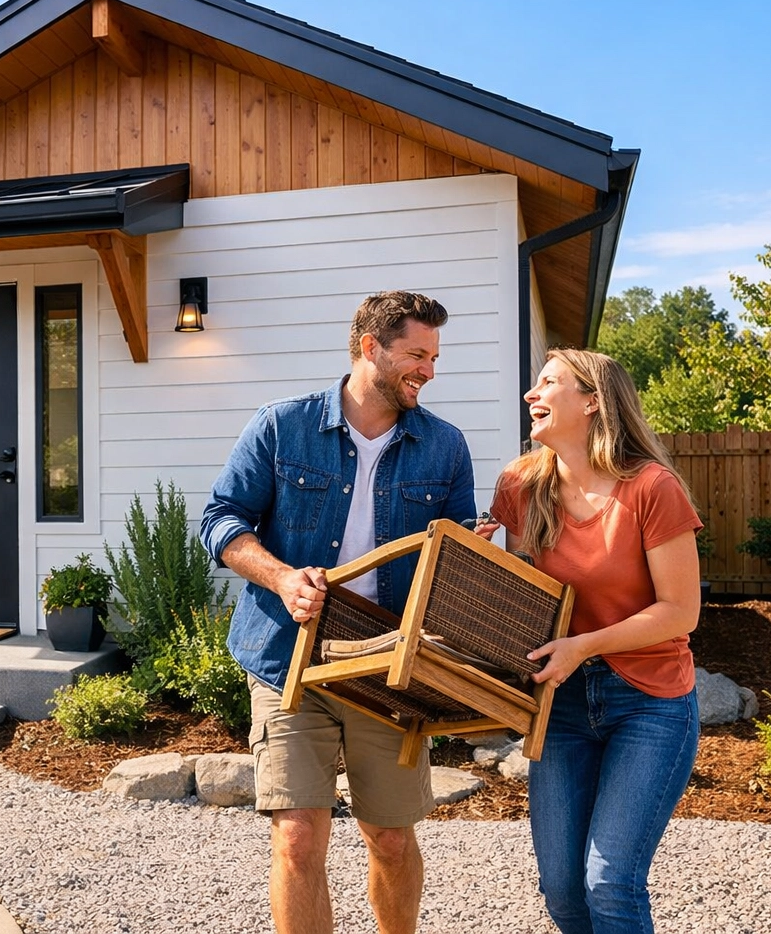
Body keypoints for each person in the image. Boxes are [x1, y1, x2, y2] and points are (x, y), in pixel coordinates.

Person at [200, 290, 480, 934]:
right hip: (286, 659)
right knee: (298, 838)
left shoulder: (445, 446)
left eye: (434, 358)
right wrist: (280, 577)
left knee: (388, 836)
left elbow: (457, 546)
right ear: (369, 348)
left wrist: (472, 550)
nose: (428, 371)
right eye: (415, 354)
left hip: (386, 665)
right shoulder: (281, 426)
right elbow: (221, 520)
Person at [488, 348, 701, 934]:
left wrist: (584, 645)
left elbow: (681, 612)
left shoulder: (651, 488)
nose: (532, 394)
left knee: (610, 883)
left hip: (650, 702)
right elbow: (515, 594)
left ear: (592, 401)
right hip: (560, 704)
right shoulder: (521, 484)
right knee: (561, 891)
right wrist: (477, 558)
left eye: (548, 383)